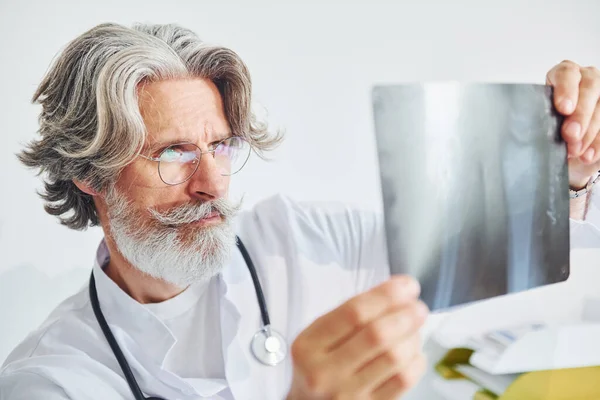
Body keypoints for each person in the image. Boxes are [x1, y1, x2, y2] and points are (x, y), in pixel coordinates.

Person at [0, 22, 599, 400]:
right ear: (87, 172)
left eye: (220, 146)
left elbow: (494, 269)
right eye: (172, 153)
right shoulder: (50, 380)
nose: (212, 183)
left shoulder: (304, 241)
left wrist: (565, 166)